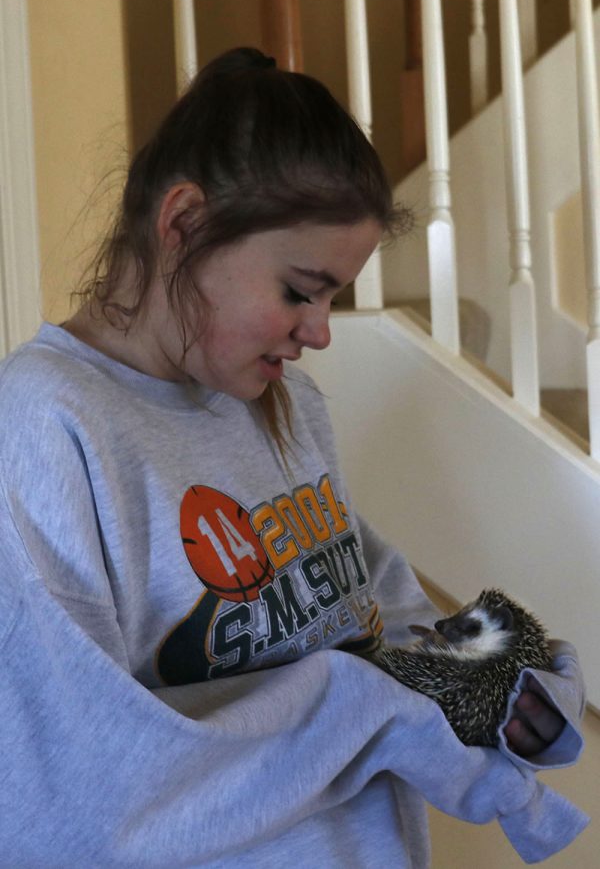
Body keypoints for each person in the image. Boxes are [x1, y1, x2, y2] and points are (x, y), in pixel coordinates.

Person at [0, 48, 587, 866]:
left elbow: (378, 625)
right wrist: (359, 705)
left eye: (333, 298)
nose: (319, 330)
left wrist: (492, 677)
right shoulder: (45, 423)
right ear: (183, 226)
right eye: (299, 291)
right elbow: (73, 791)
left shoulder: (286, 406)